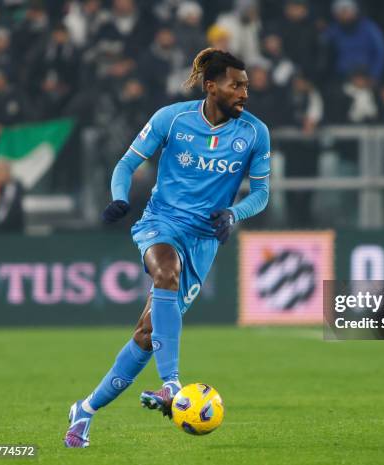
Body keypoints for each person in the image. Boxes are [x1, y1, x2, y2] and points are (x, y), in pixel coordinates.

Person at [64, 48, 270, 448]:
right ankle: (170, 384)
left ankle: (85, 410)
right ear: (212, 87)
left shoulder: (254, 133)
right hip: (161, 223)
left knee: (146, 333)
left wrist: (233, 214)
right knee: (165, 270)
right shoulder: (171, 118)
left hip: (205, 239)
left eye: (246, 85)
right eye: (237, 85)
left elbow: (262, 193)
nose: (245, 92)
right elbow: (125, 165)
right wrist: (120, 198)